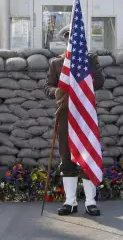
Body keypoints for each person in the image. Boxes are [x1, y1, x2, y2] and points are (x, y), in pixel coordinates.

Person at [43, 25, 105, 217]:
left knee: (87, 157)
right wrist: (56, 92)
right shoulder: (57, 63)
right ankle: (70, 201)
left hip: (85, 117)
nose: (73, 41)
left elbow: (100, 81)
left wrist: (84, 70)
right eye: (70, 38)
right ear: (66, 40)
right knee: (67, 159)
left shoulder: (90, 59)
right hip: (65, 115)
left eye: (76, 38)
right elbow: (47, 86)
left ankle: (90, 201)